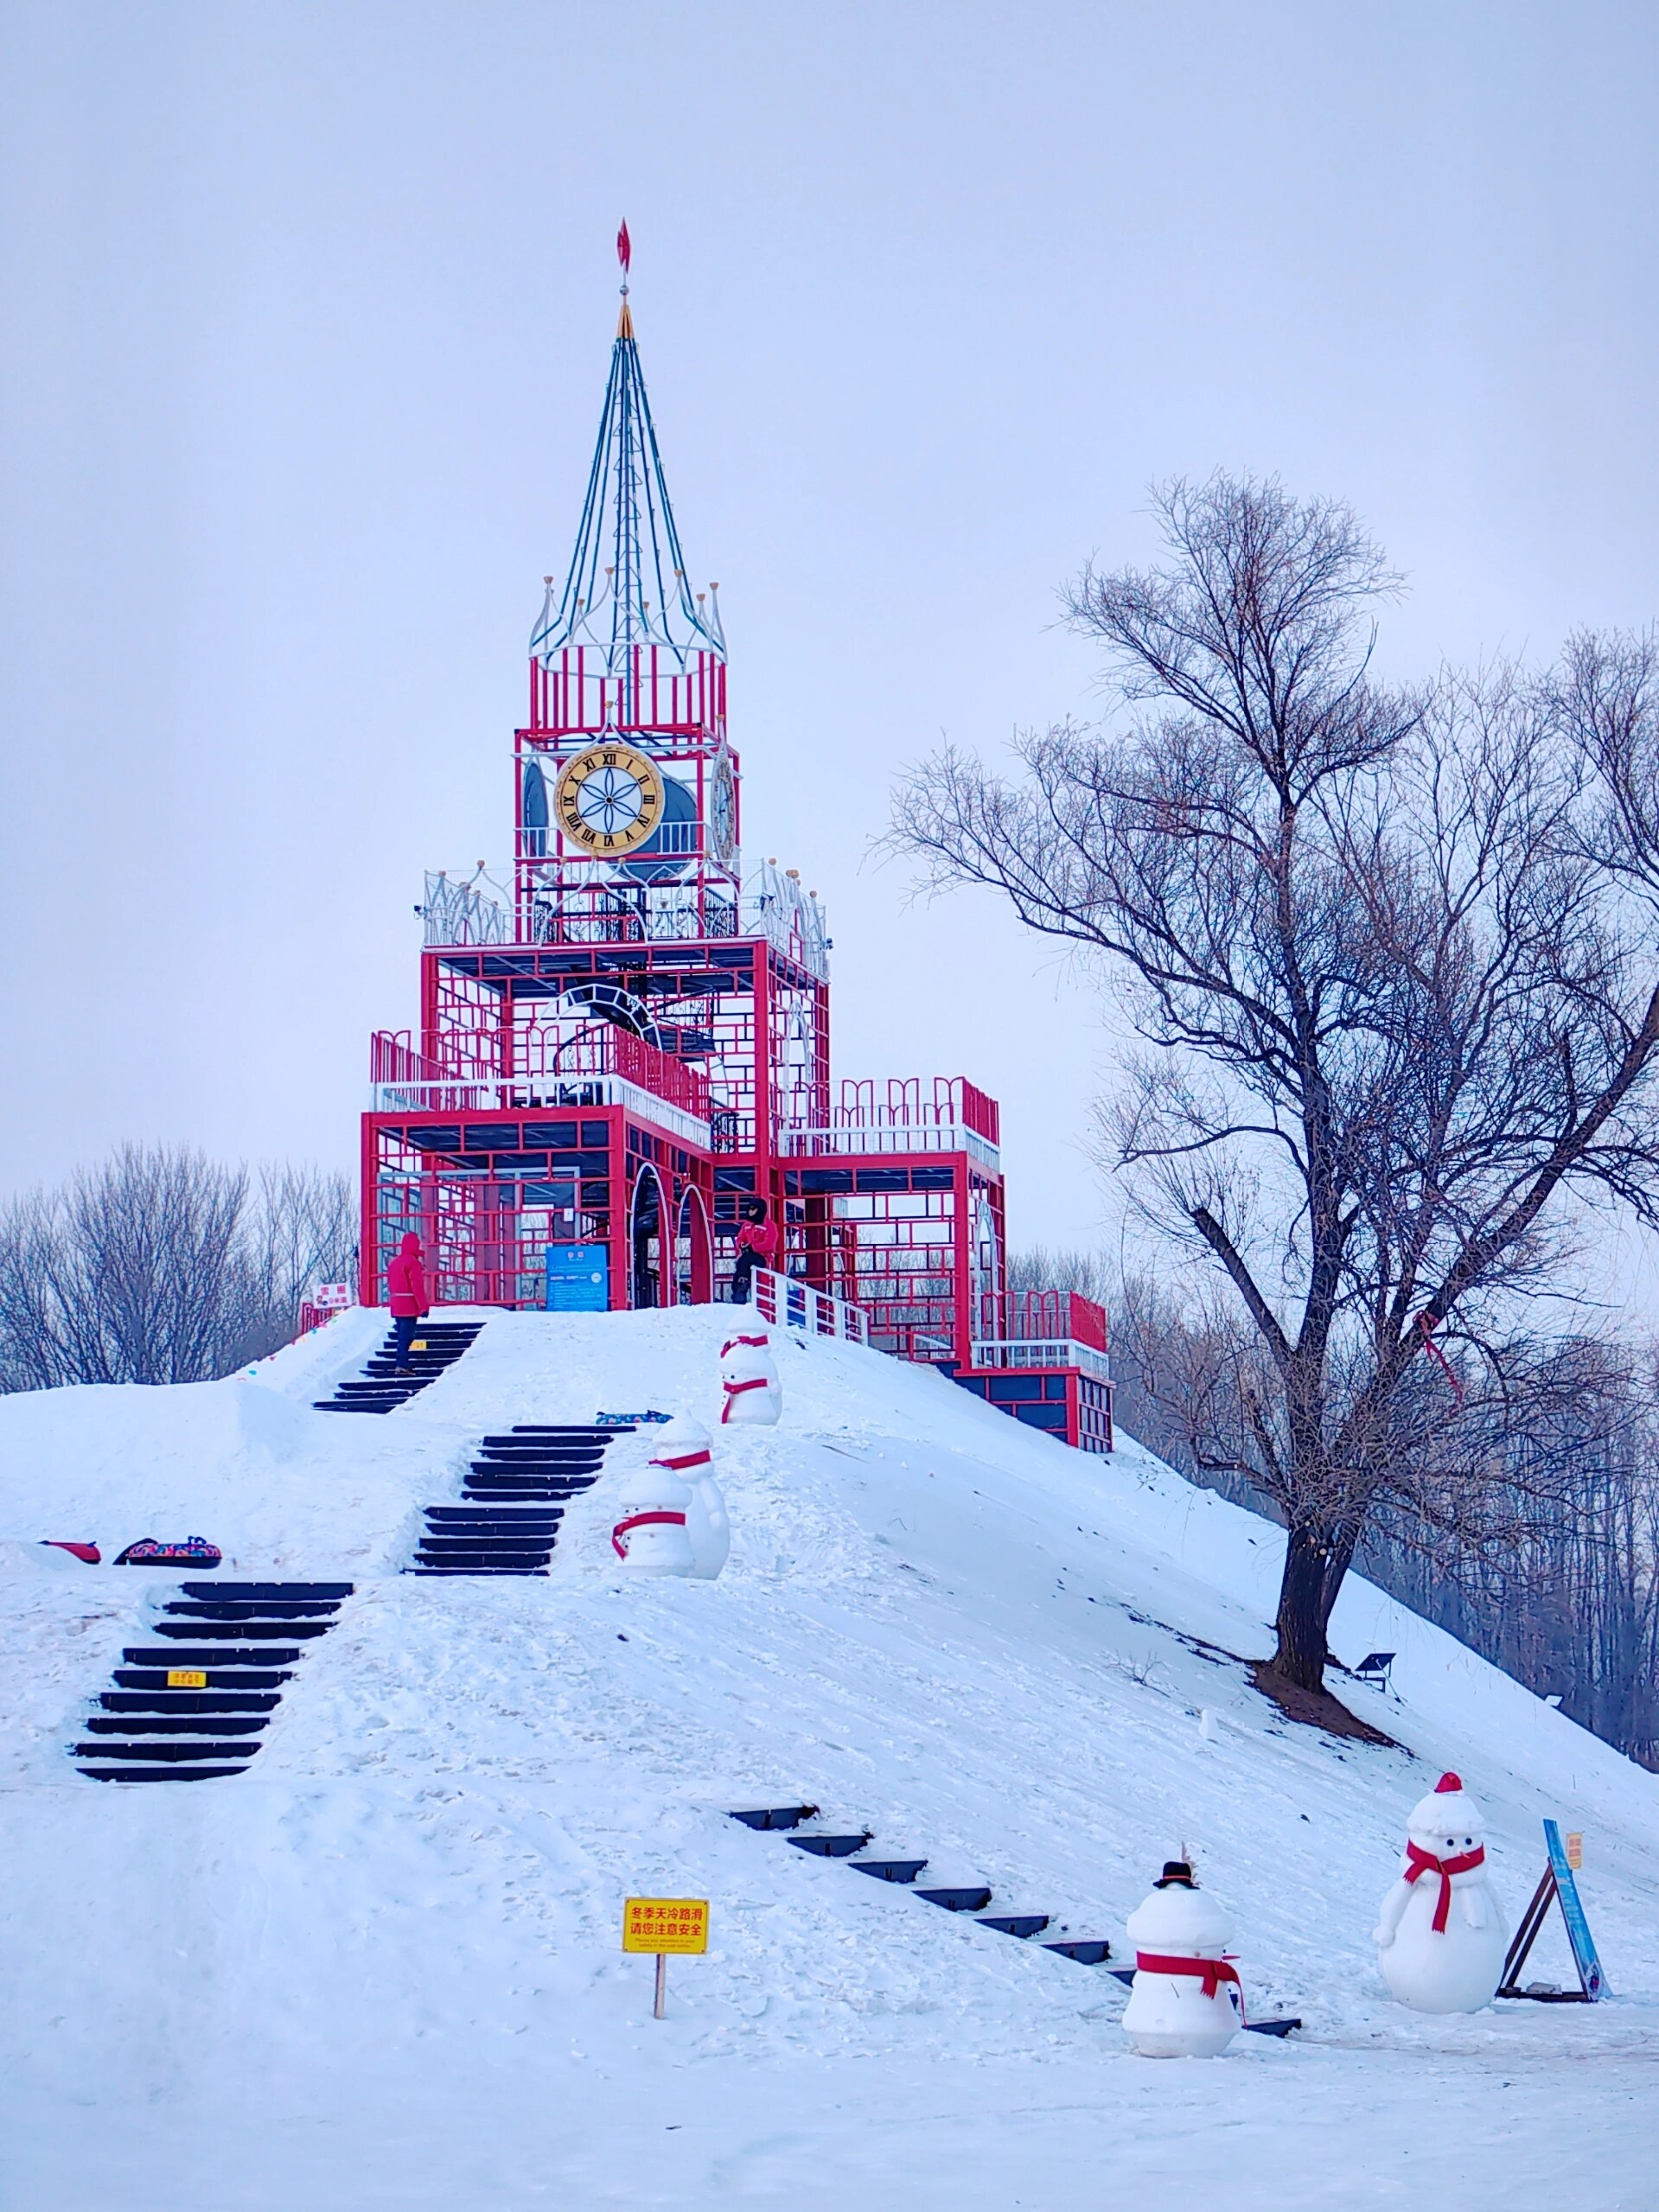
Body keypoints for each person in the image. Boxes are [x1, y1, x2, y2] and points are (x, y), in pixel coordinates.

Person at [386, 1231, 430, 1372]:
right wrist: (423, 1307)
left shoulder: (394, 1263)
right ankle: (402, 1364)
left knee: (402, 1335)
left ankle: (401, 1362)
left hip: (396, 1305)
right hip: (409, 1305)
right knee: (407, 1336)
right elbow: (416, 1286)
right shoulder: (413, 1263)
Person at [730, 1198, 779, 1304]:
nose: (750, 1211)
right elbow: (740, 1238)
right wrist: (741, 1245)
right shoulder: (746, 1225)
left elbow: (769, 1244)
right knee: (741, 1262)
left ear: (760, 1210)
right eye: (749, 1209)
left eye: (753, 1209)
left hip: (763, 1257)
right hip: (748, 1255)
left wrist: (752, 1247)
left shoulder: (770, 1225)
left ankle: (741, 1288)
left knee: (746, 1259)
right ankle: (737, 1290)